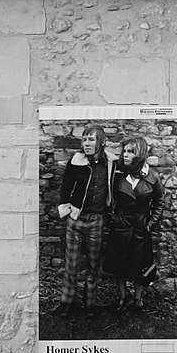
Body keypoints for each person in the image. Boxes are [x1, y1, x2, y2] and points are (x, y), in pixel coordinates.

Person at [54, 125, 117, 316]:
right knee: (71, 265)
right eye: (84, 140)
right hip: (76, 219)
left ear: (102, 142)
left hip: (97, 221)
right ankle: (67, 303)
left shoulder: (112, 163)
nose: (86, 143)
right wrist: (67, 212)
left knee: (93, 265)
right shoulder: (76, 161)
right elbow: (66, 187)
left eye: (91, 139)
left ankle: (90, 305)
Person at [108, 135, 164, 310]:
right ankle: (122, 296)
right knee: (119, 263)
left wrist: (150, 224)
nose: (125, 154)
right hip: (120, 225)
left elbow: (160, 202)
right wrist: (113, 219)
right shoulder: (118, 174)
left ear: (139, 154)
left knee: (141, 263)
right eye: (124, 151)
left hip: (141, 226)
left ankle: (138, 298)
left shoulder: (152, 177)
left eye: (130, 152)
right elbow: (108, 197)